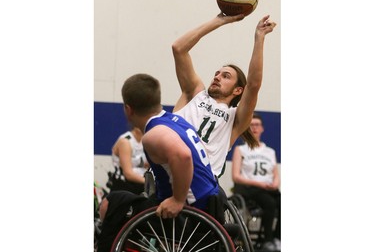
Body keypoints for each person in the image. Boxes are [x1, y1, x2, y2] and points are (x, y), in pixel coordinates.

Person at [96, 73, 222, 252]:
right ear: (158, 101)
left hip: (191, 216)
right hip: (211, 204)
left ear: (128, 109)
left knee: (111, 203)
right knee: (128, 201)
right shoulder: (175, 121)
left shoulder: (153, 135)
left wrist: (178, 200)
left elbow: (183, 155)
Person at [172, 13, 277, 179]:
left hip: (199, 182)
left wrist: (259, 38)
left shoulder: (235, 118)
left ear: (238, 90)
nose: (217, 77)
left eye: (225, 76)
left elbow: (254, 85)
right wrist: (219, 21)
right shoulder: (194, 93)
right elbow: (179, 48)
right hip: (168, 169)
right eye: (217, 73)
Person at [232, 113, 281, 251]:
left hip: (267, 188)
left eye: (257, 125)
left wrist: (276, 183)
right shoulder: (241, 149)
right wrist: (259, 184)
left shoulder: (269, 151)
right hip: (250, 188)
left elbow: (275, 174)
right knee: (269, 203)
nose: (254, 128)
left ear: (262, 129)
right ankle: (268, 241)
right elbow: (236, 176)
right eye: (251, 125)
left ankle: (277, 239)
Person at [106, 126, 149, 195]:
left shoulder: (145, 140)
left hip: (140, 183)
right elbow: (128, 174)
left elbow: (147, 165)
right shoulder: (125, 141)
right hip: (124, 185)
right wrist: (151, 183)